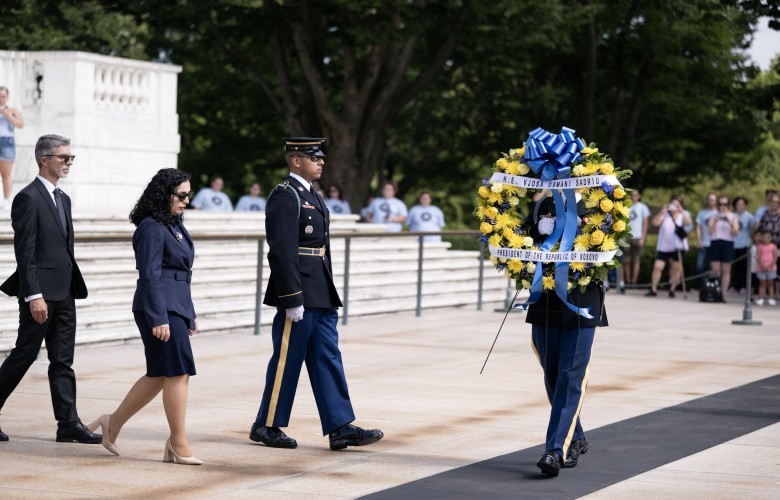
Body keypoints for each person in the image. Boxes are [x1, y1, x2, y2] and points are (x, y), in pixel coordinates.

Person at [250, 137, 383, 451]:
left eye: (322, 157)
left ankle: (340, 426)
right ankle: (266, 424)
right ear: (296, 160)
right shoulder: (285, 196)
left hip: (321, 290)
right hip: (299, 293)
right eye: (314, 157)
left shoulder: (313, 196)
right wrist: (291, 297)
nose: (321, 161)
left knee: (328, 358)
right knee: (287, 360)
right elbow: (281, 251)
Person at [87, 168, 202, 464]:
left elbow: (181, 274)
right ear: (164, 194)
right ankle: (178, 442)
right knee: (178, 372)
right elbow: (149, 275)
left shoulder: (173, 224)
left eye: (188, 194)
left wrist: (188, 314)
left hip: (174, 306)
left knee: (160, 374)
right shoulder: (151, 227)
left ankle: (112, 423)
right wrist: (159, 317)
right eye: (181, 194)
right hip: (159, 306)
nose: (186, 200)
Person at [0, 134, 98, 444]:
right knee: (25, 355)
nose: (69, 163)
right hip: (40, 294)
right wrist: (33, 295)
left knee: (63, 360)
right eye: (63, 157)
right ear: (45, 160)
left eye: (71, 157)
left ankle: (68, 423)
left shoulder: (63, 199)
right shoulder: (27, 198)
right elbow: (25, 252)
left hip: (65, 291)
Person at [521, 194, 606, 477]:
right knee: (553, 374)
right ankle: (576, 436)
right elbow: (519, 237)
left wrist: (578, 228)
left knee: (571, 376)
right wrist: (536, 230)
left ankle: (555, 450)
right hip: (545, 300)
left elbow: (611, 245)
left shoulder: (599, 203)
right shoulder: (543, 205)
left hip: (582, 299)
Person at [646, 195, 691, 297]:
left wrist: (681, 211)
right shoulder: (665, 214)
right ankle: (654, 288)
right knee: (658, 267)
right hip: (664, 246)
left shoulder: (682, 215)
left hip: (676, 246)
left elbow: (688, 223)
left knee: (676, 268)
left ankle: (672, 289)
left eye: (677, 205)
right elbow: (655, 222)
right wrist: (662, 211)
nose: (674, 207)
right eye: (673, 204)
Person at [707, 195, 739, 301]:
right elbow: (709, 232)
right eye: (720, 204)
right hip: (715, 242)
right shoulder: (713, 215)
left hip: (728, 243)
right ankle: (715, 291)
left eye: (725, 204)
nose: (722, 206)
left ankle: (723, 294)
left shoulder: (733, 216)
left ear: (728, 205)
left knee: (726, 270)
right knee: (715, 270)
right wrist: (715, 222)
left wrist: (729, 222)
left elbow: (735, 233)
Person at [0, 86, 25, 210]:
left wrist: (8, 116)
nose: (1, 99)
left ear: (7, 97)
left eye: (3, 96)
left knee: (6, 174)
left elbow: (20, 124)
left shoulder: (12, 110)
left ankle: (6, 199)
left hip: (7, 142)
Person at [755, 192, 780, 300]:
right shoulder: (765, 214)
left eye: (777, 202)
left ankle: (776, 293)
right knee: (762, 264)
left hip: (777, 245)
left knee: (776, 269)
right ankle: (762, 293)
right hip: (765, 245)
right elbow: (759, 229)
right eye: (772, 201)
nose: (774, 203)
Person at [625, 189, 651, 285]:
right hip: (627, 237)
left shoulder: (643, 208)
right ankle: (627, 281)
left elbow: (645, 224)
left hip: (638, 236)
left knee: (636, 260)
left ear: (639, 196)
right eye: (632, 195)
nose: (633, 197)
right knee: (626, 261)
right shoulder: (626, 207)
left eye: (635, 195)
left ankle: (634, 281)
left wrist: (643, 238)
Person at [730, 196, 754, 293]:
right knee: (733, 267)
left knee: (743, 267)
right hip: (732, 244)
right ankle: (733, 286)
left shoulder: (749, 217)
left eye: (742, 204)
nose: (740, 206)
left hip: (744, 244)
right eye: (738, 204)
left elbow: (752, 230)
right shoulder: (731, 215)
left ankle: (743, 286)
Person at [694, 193, 718, 288]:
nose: (711, 201)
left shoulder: (719, 213)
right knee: (699, 266)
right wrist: (698, 240)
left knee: (712, 268)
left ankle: (711, 286)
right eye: (710, 199)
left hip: (714, 244)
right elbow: (698, 227)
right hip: (704, 243)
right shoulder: (702, 213)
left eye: (713, 200)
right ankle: (699, 286)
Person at [754, 229, 778, 306]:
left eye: (768, 237)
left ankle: (771, 298)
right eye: (763, 237)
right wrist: (762, 266)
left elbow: (775, 257)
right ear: (761, 237)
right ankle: (761, 298)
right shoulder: (759, 246)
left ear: (771, 238)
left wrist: (771, 265)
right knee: (762, 283)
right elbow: (758, 257)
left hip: (771, 268)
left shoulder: (773, 246)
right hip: (761, 268)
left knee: (770, 283)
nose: (765, 239)